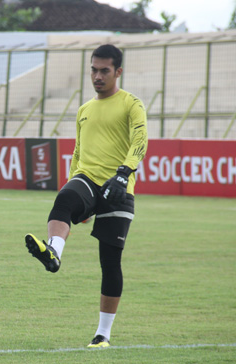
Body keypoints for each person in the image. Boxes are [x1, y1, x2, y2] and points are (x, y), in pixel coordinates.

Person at [25, 44, 148, 348]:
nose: (97, 75)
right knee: (65, 200)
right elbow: (78, 153)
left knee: (110, 261)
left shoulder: (132, 104)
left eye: (104, 70)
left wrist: (125, 172)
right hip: (88, 178)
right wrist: (75, 185)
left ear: (118, 71)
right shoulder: (84, 109)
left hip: (119, 187)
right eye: (93, 69)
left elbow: (140, 140)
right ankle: (53, 254)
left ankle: (102, 335)